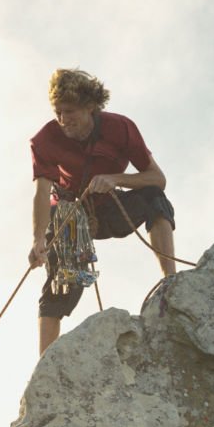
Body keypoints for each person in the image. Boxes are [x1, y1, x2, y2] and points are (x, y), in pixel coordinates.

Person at [28, 68, 177, 355]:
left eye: (69, 111)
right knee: (65, 282)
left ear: (90, 106)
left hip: (108, 208)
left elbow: (157, 178)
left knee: (154, 199)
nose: (62, 120)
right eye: (58, 112)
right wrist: (38, 239)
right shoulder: (44, 140)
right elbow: (42, 191)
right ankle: (45, 361)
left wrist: (116, 179)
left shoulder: (120, 129)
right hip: (70, 214)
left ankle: (171, 283)